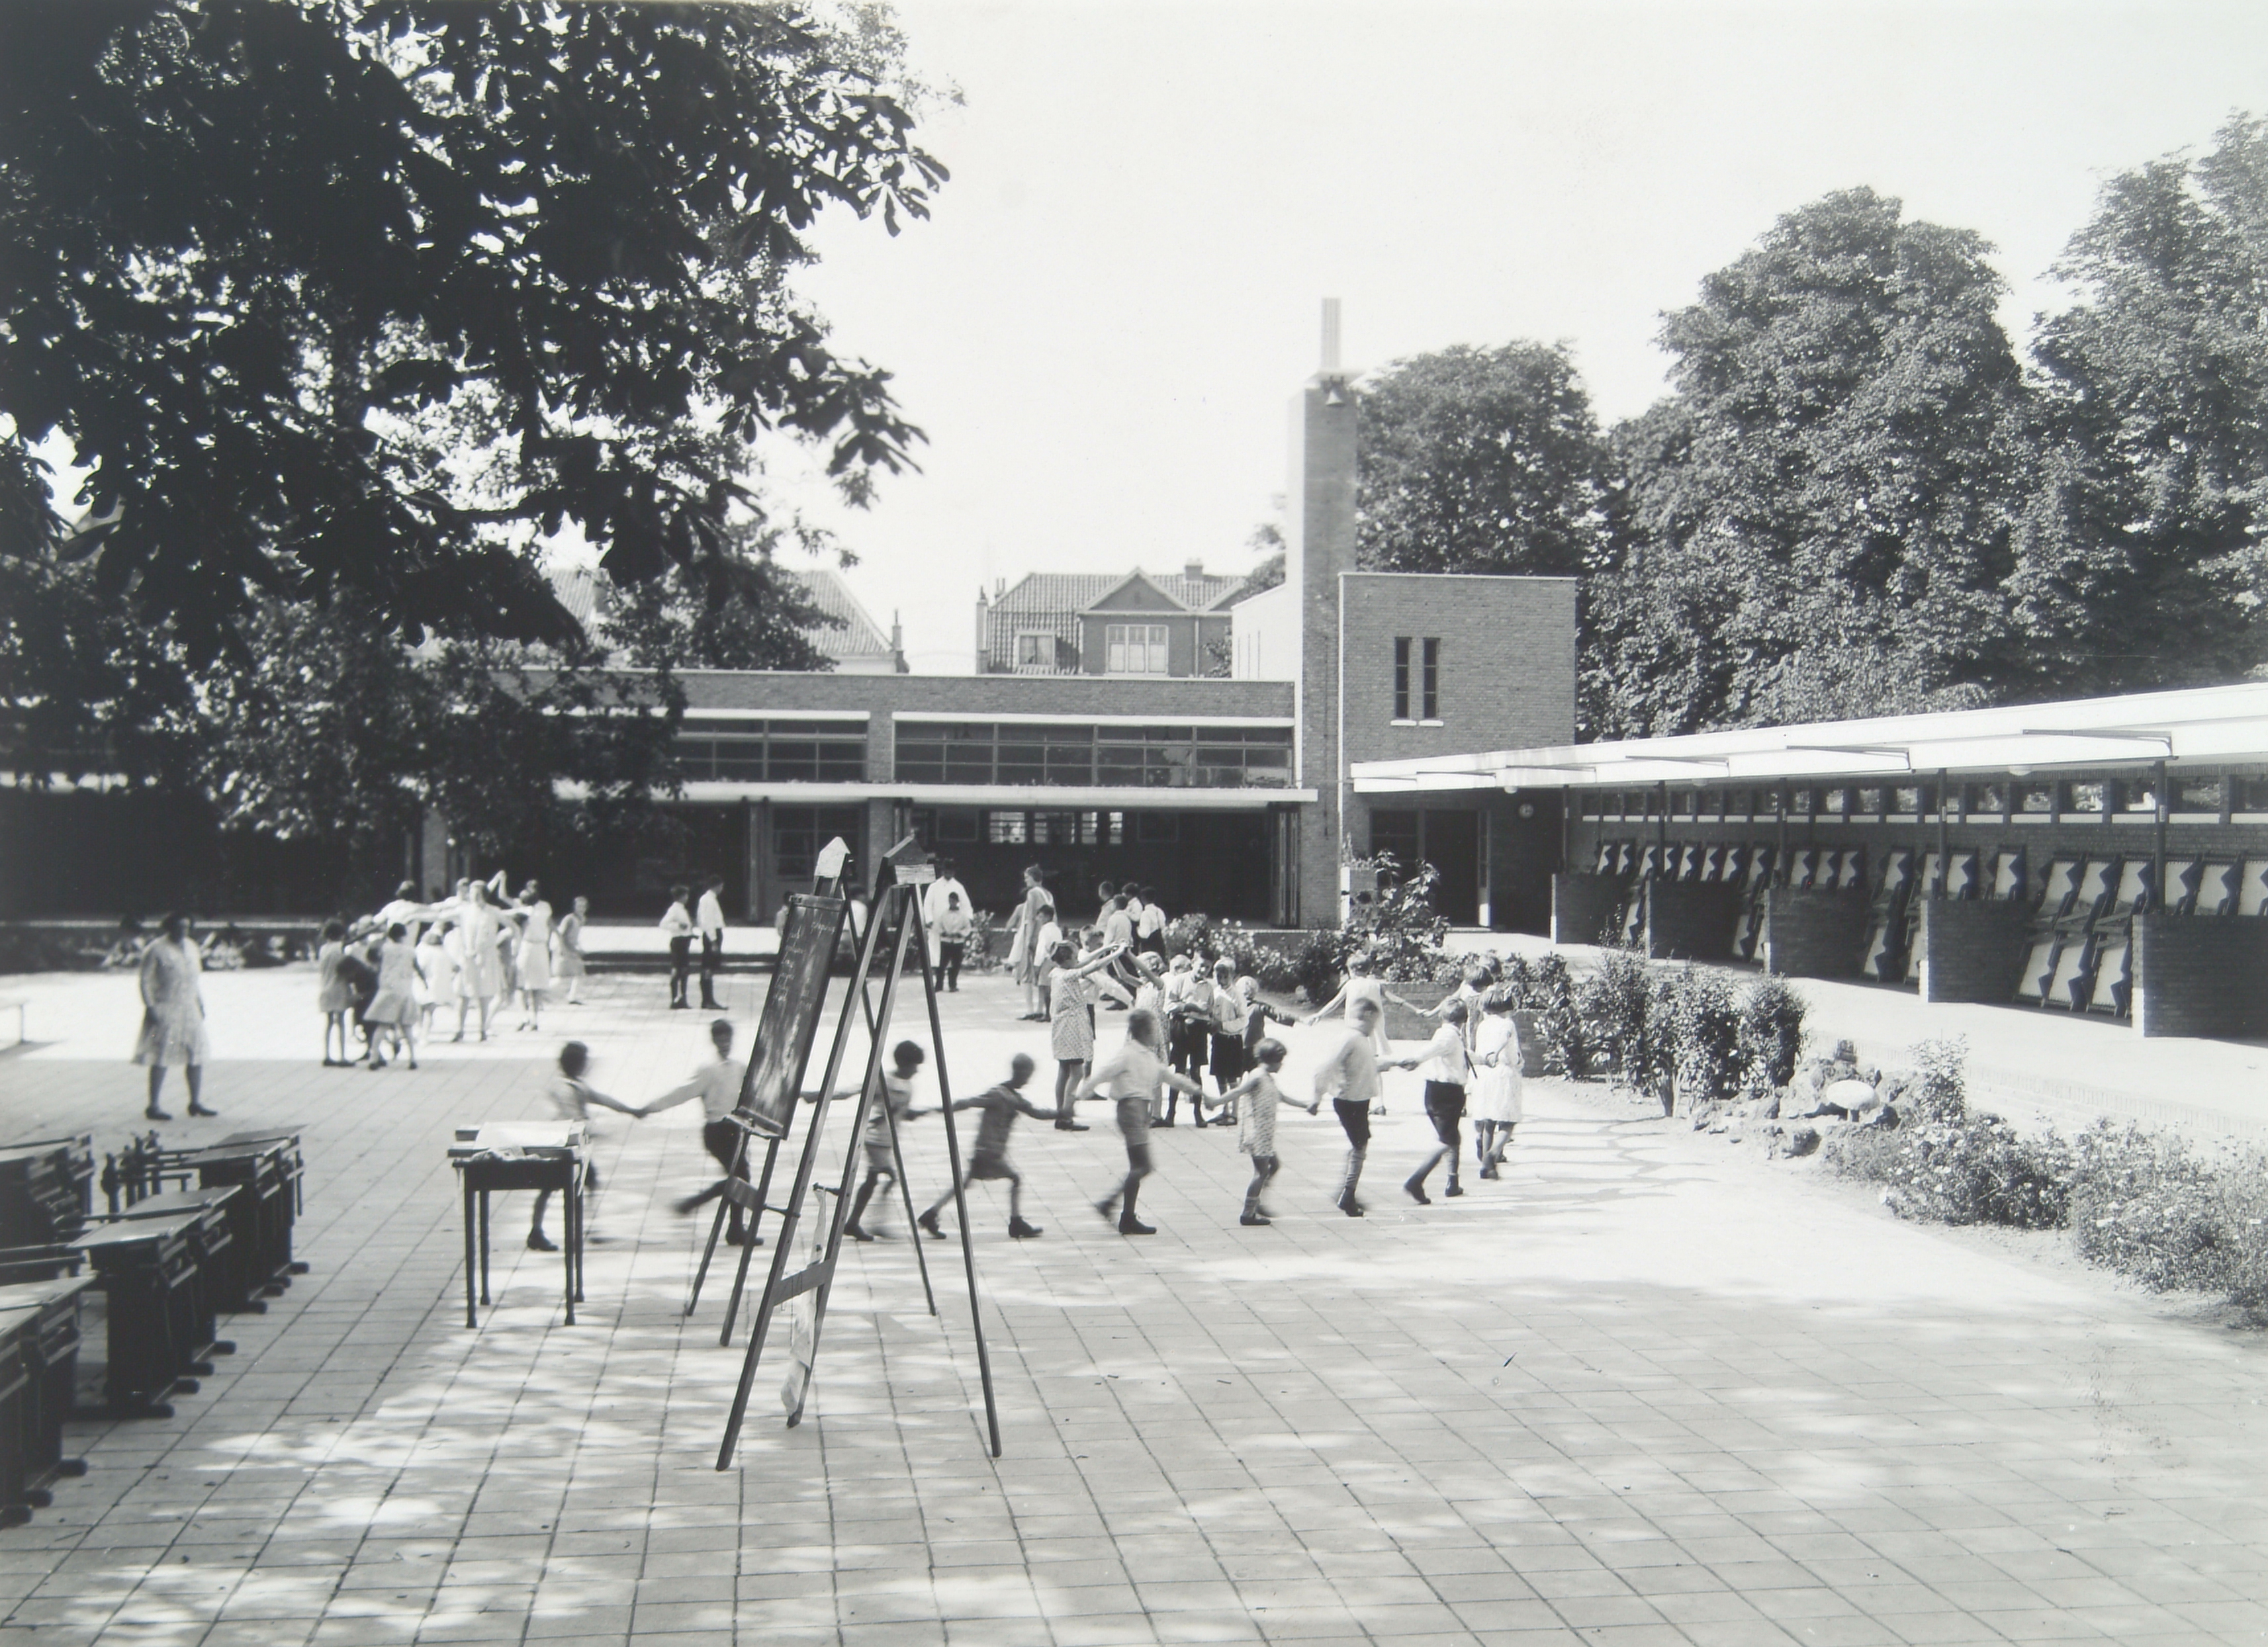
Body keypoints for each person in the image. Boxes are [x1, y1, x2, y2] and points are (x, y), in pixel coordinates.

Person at [1079, 1008, 1204, 1236]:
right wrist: (1080, 1094)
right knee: (1143, 1166)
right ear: (1146, 1032)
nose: (1158, 1034)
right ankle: (1112, 1205)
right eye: (1155, 1030)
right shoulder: (1128, 1054)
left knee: (1138, 1166)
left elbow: (1170, 1077)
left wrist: (1197, 1091)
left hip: (1139, 1111)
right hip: (1131, 1110)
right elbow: (1104, 1073)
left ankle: (1126, 1216)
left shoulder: (1148, 1056)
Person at [644, 1018, 757, 1246]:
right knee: (740, 1178)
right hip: (717, 1131)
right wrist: (651, 1108)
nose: (725, 1044)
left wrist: (802, 1094)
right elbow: (683, 1092)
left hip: (736, 1129)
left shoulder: (739, 1067)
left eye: (728, 1039)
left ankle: (734, 1228)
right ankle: (700, 1208)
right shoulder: (708, 1070)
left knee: (741, 1178)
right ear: (714, 1041)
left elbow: (759, 1088)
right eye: (721, 1040)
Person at [917, 1052, 1053, 1241]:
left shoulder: (1011, 1097)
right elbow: (969, 1103)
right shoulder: (999, 1095)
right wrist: (939, 1109)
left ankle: (931, 1214)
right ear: (1021, 1072)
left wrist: (1059, 1114)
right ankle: (1016, 1222)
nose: (1028, 1080)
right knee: (1015, 1179)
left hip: (984, 1150)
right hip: (990, 1152)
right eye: (1028, 1075)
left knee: (963, 1184)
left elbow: (1036, 1112)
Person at [529, 1041, 641, 1251]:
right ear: (578, 1064)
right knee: (563, 1187)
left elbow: (602, 1099)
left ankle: (550, 1230)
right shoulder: (565, 1089)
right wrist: (600, 1132)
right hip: (561, 1148)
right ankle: (559, 1230)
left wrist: (630, 1110)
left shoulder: (575, 1084)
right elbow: (574, 1119)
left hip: (570, 1147)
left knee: (579, 1183)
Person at [1312, 997, 1417, 1217]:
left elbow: (1370, 1064)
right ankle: (1348, 1195)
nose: (1374, 1027)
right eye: (1374, 1022)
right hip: (1349, 1100)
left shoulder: (1359, 1039)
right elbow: (1324, 1068)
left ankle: (1346, 1189)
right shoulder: (1349, 1038)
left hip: (1359, 1100)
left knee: (1358, 1145)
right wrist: (1316, 1097)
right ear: (1367, 1016)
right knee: (1360, 1147)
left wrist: (1396, 1062)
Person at [1304, 951, 1418, 1115]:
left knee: (1352, 1064)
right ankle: (1380, 1103)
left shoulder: (1350, 985)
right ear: (1368, 969)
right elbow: (1395, 999)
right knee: (1375, 1064)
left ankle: (1355, 1098)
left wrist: (1318, 1015)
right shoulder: (1376, 984)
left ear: (1352, 970)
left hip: (1355, 1031)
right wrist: (1416, 1009)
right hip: (1374, 1030)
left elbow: (1334, 1003)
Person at [1222, 1038, 1313, 1225]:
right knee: (1261, 1172)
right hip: (1257, 1133)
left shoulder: (1267, 1078)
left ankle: (1258, 1202)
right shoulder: (1257, 1076)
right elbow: (1238, 1092)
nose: (1282, 1065)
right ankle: (1248, 1213)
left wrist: (1305, 1105)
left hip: (1265, 1135)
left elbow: (1282, 1097)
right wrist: (1216, 1101)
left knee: (1274, 1165)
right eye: (1280, 1061)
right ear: (1271, 1060)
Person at [134, 913, 216, 1120]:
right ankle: (153, 1105)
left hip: (189, 1006)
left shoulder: (192, 947)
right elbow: (145, 980)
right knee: (161, 1055)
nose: (182, 931)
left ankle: (195, 1102)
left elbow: (193, 979)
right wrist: (151, 1006)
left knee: (196, 1053)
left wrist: (200, 1003)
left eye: (186, 927)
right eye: (178, 927)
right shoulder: (156, 949)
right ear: (169, 928)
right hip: (166, 1006)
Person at [844, 1042, 927, 1242]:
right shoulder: (885, 1081)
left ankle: (856, 1222)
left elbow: (899, 1112)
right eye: (914, 1066)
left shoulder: (907, 1085)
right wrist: (818, 1096)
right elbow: (856, 1090)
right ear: (904, 1064)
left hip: (886, 1140)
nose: (916, 1071)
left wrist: (913, 1114)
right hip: (875, 1139)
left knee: (874, 1180)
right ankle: (874, 1222)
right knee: (888, 1177)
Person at [1048, 938, 1126, 1130]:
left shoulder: (1057, 973)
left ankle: (1060, 1113)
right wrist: (1118, 953)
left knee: (1064, 1070)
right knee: (1077, 1072)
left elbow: (1085, 961)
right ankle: (1067, 1115)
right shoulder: (1069, 975)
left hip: (1060, 1026)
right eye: (1075, 957)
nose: (1078, 960)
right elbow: (1094, 966)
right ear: (1068, 960)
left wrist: (1107, 947)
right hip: (1072, 1026)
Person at [1403, 1000, 1471, 1204]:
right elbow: (1434, 1049)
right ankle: (1417, 1179)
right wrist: (1416, 1059)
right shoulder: (1449, 1036)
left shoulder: (1447, 1034)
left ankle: (1453, 1182)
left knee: (1452, 1137)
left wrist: (1483, 1060)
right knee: (1447, 1141)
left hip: (1436, 1091)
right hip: (1447, 1093)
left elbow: (1461, 1055)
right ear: (1465, 1019)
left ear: (1442, 1017)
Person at [1471, 989, 1524, 1179]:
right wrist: (1498, 1052)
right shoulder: (1507, 1023)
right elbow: (1505, 1037)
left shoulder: (1483, 1025)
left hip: (1485, 1074)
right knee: (1507, 1122)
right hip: (1504, 1073)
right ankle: (1493, 1154)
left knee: (1489, 1122)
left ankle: (1485, 1166)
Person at [362, 922, 422, 1070]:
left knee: (382, 1025)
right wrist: (425, 981)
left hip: (388, 988)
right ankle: (412, 1059)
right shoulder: (410, 950)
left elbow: (373, 959)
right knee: (407, 1026)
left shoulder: (384, 949)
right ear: (404, 935)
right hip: (405, 989)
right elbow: (417, 967)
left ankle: (373, 1058)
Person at [453, 881, 507, 1040]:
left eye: (477, 893)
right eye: (472, 893)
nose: (474, 896)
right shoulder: (464, 910)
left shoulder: (493, 911)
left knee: (484, 995)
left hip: (486, 958)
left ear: (484, 895)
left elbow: (512, 926)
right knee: (463, 995)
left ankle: (482, 1030)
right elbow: (440, 916)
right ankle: (460, 1030)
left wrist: (499, 940)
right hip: (468, 957)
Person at [1007, 866, 1050, 1020]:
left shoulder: (1032, 894)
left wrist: (1028, 940)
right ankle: (1040, 1009)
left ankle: (1030, 1010)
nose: (1025, 881)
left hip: (1032, 935)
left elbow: (1031, 917)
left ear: (1033, 877)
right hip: (1046, 935)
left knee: (1025, 973)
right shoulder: (1048, 894)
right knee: (1042, 974)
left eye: (1027, 878)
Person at [510, 882, 553, 1032]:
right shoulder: (542, 908)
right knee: (529, 986)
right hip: (534, 947)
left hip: (533, 947)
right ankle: (529, 1018)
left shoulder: (529, 910)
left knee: (528, 986)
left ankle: (529, 1018)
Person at [316, 919, 353, 1066]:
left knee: (329, 1023)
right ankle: (342, 1057)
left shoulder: (323, 949)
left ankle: (327, 1055)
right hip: (339, 987)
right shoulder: (340, 948)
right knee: (341, 1023)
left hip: (325, 988)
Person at [923, 860, 970, 967]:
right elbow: (927, 904)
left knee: (951, 947)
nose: (948, 874)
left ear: (954, 872)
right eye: (946, 871)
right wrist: (929, 919)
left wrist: (967, 918)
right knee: (935, 946)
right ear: (942, 871)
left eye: (951, 872)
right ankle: (935, 967)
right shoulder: (934, 886)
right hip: (937, 922)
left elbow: (965, 904)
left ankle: (949, 968)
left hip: (953, 923)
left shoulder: (959, 887)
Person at [415, 921, 459, 1036]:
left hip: (424, 986)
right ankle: (425, 1034)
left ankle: (420, 1032)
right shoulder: (444, 952)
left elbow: (420, 967)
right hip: (438, 987)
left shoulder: (424, 951)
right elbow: (457, 967)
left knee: (420, 1011)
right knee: (430, 1013)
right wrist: (451, 978)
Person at [660, 885, 695, 1010]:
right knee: (677, 970)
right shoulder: (674, 909)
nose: (687, 898)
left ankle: (682, 998)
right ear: (681, 896)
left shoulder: (682, 909)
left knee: (684, 970)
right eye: (686, 895)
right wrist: (679, 926)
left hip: (684, 942)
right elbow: (664, 924)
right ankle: (675, 998)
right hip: (678, 942)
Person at [696, 875, 727, 1010]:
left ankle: (708, 999)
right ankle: (707, 1000)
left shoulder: (709, 899)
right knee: (707, 967)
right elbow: (707, 921)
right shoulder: (708, 900)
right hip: (711, 935)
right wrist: (713, 940)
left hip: (713, 934)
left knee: (709, 967)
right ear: (717, 886)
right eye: (721, 886)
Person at [553, 896, 588, 1006]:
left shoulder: (582, 919)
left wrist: (579, 947)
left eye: (583, 906)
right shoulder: (569, 919)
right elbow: (561, 935)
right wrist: (563, 950)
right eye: (579, 906)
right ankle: (542, 991)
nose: (581, 909)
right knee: (561, 978)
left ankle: (572, 997)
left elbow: (576, 936)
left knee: (579, 973)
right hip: (565, 948)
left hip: (573, 949)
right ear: (574, 907)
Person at [934, 890, 972, 991]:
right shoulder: (944, 914)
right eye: (950, 901)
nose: (952, 903)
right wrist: (943, 933)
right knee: (942, 964)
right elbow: (938, 926)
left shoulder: (963, 915)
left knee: (956, 964)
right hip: (946, 941)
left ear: (957, 902)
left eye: (954, 901)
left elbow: (968, 928)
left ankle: (953, 985)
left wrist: (960, 933)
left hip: (957, 942)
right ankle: (939, 985)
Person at [1135, 885, 1168, 958]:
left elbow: (1145, 934)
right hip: (1160, 943)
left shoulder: (1145, 914)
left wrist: (1138, 930)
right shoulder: (1160, 911)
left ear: (1143, 899)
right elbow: (1163, 927)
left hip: (1149, 945)